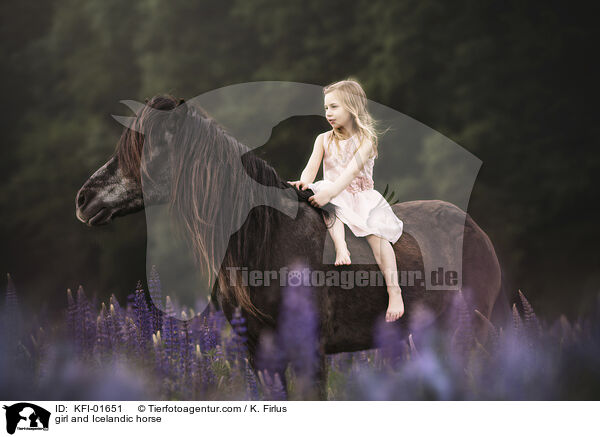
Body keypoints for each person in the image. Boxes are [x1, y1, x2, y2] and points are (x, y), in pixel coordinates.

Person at [288, 79, 405, 322]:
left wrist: (328, 194)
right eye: (326, 108)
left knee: (378, 241)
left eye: (334, 107)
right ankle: (341, 247)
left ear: (352, 108)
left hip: (360, 197)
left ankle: (395, 292)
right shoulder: (323, 139)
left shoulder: (365, 140)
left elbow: (350, 173)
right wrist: (304, 184)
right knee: (328, 209)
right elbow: (311, 169)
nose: (328, 113)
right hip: (331, 193)